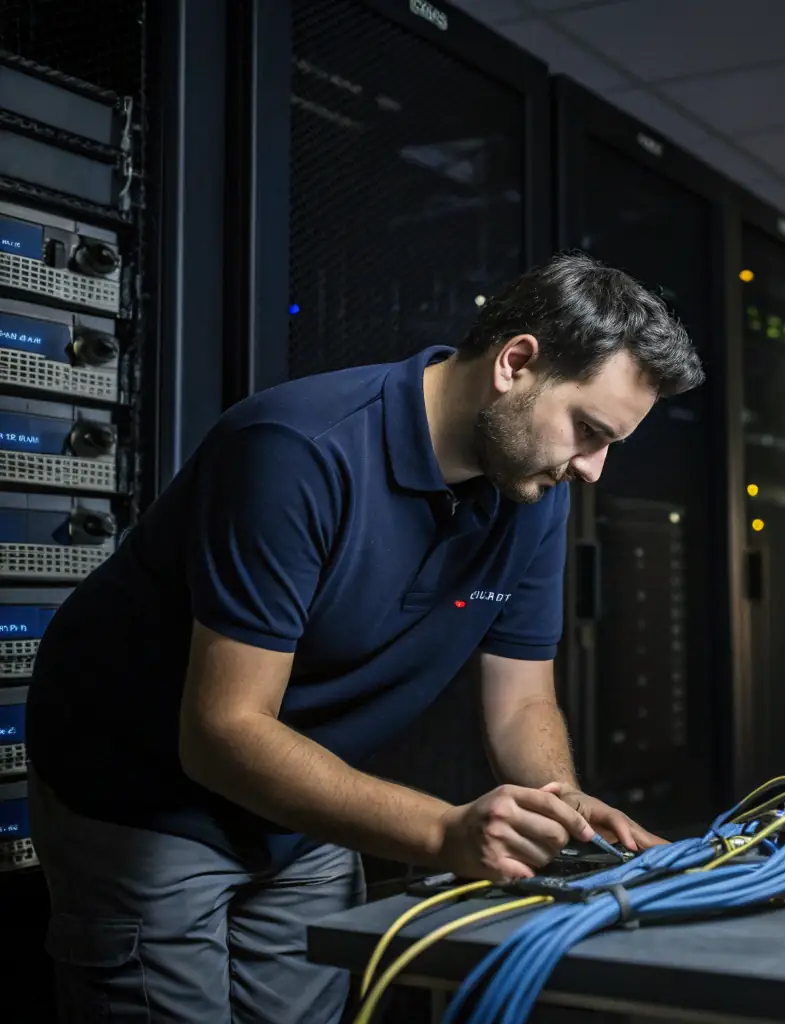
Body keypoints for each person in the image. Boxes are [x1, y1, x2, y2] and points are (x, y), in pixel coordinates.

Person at [24, 252, 705, 1023]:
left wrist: (565, 807)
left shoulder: (532, 490)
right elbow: (221, 732)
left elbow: (519, 699)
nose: (593, 470)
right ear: (516, 364)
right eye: (587, 431)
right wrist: (445, 831)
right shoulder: (296, 451)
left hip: (306, 796)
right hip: (146, 799)